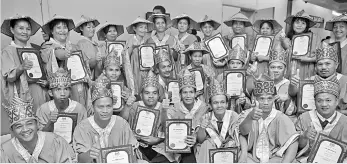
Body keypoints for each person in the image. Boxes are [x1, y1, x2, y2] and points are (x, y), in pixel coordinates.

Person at [72, 74, 143, 163]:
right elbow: (80, 160)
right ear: (93, 107)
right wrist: (90, 153)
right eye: (100, 107)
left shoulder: (121, 124)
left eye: (108, 106)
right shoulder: (82, 127)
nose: (105, 111)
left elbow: (133, 154)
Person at [238, 74, 299, 163]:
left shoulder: (280, 117)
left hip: (274, 157)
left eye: (269, 98)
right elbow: (242, 132)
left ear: (274, 98)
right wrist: (250, 118)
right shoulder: (247, 113)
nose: (266, 102)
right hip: (252, 157)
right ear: (255, 99)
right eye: (262, 99)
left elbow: (293, 141)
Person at [40, 15, 92, 115]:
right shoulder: (47, 47)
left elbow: (84, 66)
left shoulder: (74, 47)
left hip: (79, 87)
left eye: (65, 27)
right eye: (58, 28)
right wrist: (65, 54)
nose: (63, 30)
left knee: (81, 114)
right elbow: (58, 54)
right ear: (52, 31)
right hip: (61, 90)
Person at [1, 96, 76, 163]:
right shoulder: (5, 151)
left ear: (37, 124)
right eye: (18, 126)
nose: (25, 129)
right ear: (12, 130)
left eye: (29, 123)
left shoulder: (56, 142)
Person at [123, 70, 176, 162]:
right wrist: (127, 107)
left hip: (157, 147)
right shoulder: (135, 106)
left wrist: (157, 140)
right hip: (136, 146)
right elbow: (122, 122)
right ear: (141, 95)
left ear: (158, 95)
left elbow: (169, 130)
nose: (151, 96)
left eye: (154, 93)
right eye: (147, 93)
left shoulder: (164, 107)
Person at [1, 14, 48, 112]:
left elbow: (46, 71)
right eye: (21, 28)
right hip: (21, 94)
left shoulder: (36, 49)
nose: (25, 32)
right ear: (12, 30)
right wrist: (21, 67)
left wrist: (46, 82)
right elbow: (8, 76)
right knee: (27, 124)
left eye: (28, 29)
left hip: (40, 91)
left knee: (43, 120)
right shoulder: (8, 51)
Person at [295, 75, 347, 162]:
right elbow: (295, 147)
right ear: (314, 101)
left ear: (336, 101)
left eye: (328, 100)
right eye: (319, 100)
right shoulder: (304, 118)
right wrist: (304, 137)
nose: (324, 104)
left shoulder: (345, 122)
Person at [195, 79, 248, 163]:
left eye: (222, 102)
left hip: (231, 150)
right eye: (215, 103)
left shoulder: (233, 116)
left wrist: (244, 154)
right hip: (212, 151)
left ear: (227, 104)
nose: (219, 106)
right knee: (205, 144)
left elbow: (241, 136)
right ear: (210, 105)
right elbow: (200, 140)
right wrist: (202, 128)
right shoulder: (206, 117)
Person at [290, 42, 347, 113]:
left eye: (327, 64)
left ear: (336, 65)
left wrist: (331, 113)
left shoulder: (345, 81)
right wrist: (293, 85)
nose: (323, 67)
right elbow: (293, 94)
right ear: (316, 67)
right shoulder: (310, 80)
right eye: (320, 64)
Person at [167, 69, 209, 163]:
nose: (188, 95)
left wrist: (195, 137)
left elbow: (204, 131)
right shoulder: (175, 108)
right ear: (180, 94)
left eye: (191, 92)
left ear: (195, 94)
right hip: (179, 146)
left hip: (198, 145)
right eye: (185, 92)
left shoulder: (203, 108)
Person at [36, 68, 87, 132]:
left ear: (70, 91)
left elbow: (84, 132)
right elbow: (41, 135)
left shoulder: (79, 109)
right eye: (58, 90)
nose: (62, 93)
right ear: (50, 93)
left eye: (66, 89)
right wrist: (50, 122)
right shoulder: (44, 109)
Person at [97, 22, 135, 95]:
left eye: (114, 31)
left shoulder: (122, 46)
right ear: (105, 34)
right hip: (106, 76)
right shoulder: (101, 47)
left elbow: (126, 63)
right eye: (109, 31)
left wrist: (125, 56)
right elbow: (99, 66)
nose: (113, 33)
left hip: (119, 75)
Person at [284, 10, 320, 80]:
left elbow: (321, 57)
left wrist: (309, 59)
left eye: (303, 23)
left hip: (307, 69)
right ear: (293, 24)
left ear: (306, 26)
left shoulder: (314, 38)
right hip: (290, 69)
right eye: (297, 22)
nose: (299, 25)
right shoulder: (287, 39)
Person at [216, 45, 252, 113]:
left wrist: (244, 101)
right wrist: (223, 97)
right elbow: (215, 96)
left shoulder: (247, 78)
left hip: (240, 111)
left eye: (238, 63)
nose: (235, 66)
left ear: (242, 65)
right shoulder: (220, 77)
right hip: (224, 109)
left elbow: (252, 100)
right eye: (232, 63)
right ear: (228, 64)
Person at [100, 50, 136, 116]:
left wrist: (127, 101)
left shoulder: (124, 89)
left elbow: (125, 117)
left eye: (117, 70)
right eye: (111, 70)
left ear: (120, 72)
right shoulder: (97, 87)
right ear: (104, 72)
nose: (114, 73)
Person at [125, 17, 153, 96]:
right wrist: (132, 47)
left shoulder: (146, 41)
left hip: (145, 70)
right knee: (135, 91)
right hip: (134, 69)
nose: (143, 30)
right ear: (134, 28)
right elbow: (125, 56)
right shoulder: (130, 40)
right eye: (141, 27)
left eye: (145, 28)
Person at [75, 15, 101, 80]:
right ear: (81, 28)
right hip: (90, 79)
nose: (92, 29)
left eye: (93, 27)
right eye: (89, 27)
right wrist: (95, 59)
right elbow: (84, 64)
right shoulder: (82, 43)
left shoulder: (94, 44)